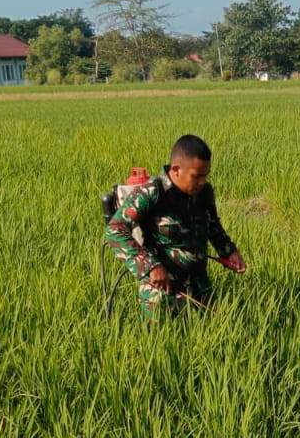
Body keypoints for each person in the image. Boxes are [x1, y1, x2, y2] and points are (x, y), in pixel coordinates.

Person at [105, 134, 247, 319]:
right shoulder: (152, 193)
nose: (202, 182)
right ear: (176, 170)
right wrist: (150, 266)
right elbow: (115, 229)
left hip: (198, 284)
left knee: (214, 326)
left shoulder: (204, 193)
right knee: (161, 332)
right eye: (197, 176)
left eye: (205, 175)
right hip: (162, 287)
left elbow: (213, 225)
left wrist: (229, 252)